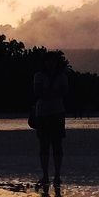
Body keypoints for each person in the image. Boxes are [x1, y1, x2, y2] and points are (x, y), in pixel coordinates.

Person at [31, 52, 68, 187]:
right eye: (49, 61)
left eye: (53, 61)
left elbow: (62, 92)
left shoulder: (61, 76)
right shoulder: (39, 76)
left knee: (57, 145)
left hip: (56, 112)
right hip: (44, 113)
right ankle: (46, 175)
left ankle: (56, 175)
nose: (51, 63)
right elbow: (38, 92)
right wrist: (53, 93)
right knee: (44, 146)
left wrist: (47, 93)